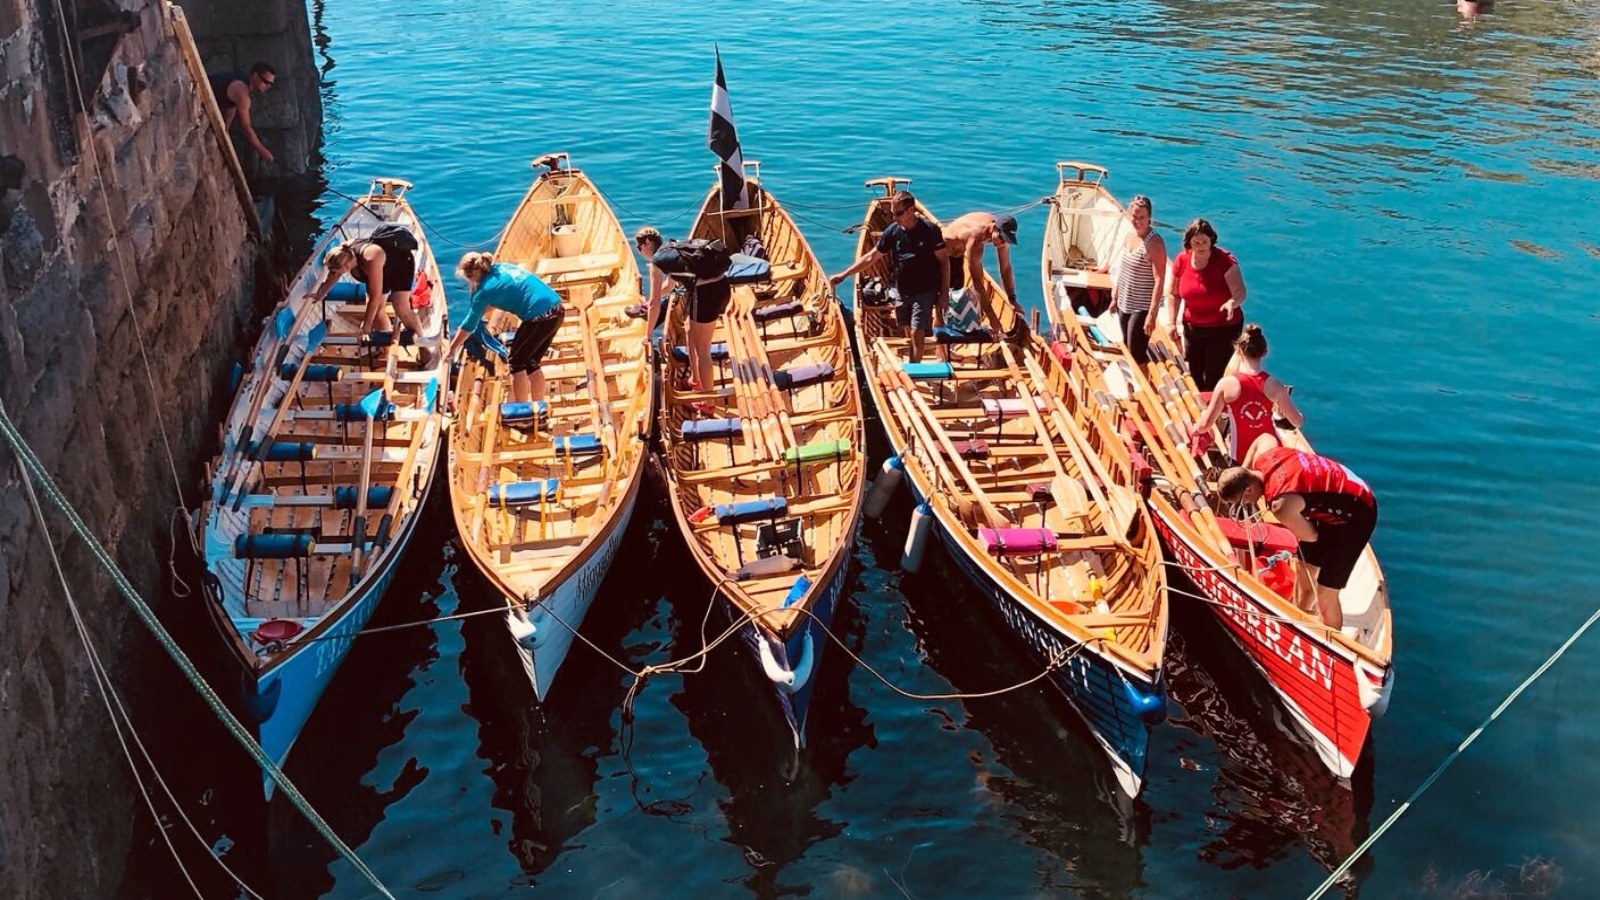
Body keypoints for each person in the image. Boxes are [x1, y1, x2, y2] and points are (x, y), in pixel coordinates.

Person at [1217, 446, 1377, 631]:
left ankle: (1333, 642)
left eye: (1240, 502)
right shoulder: (1265, 456)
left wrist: (1293, 521)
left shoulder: (1280, 505)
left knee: (1325, 592)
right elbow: (1262, 439)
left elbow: (1310, 536)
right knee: (1303, 568)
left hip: (1358, 515)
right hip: (1338, 493)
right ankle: (1299, 617)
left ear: (1248, 490)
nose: (1243, 506)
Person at [830, 190, 951, 363]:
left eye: (898, 213)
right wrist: (844, 275)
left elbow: (944, 262)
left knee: (917, 332)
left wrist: (944, 293)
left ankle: (914, 370)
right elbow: (872, 256)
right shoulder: (893, 231)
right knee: (907, 330)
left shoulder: (929, 230)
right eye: (892, 213)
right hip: (902, 289)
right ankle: (913, 360)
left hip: (925, 290)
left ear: (911, 210)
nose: (894, 217)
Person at [445, 252, 564, 406]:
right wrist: (478, 309)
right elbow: (501, 297)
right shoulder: (502, 267)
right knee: (531, 362)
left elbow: (468, 325)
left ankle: (524, 413)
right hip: (557, 308)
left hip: (539, 316)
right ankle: (538, 410)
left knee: (516, 363)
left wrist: (452, 349)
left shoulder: (484, 291)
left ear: (472, 274)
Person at [312, 225, 433, 368]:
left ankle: (423, 345)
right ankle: (386, 348)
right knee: (376, 313)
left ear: (348, 266)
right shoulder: (343, 252)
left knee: (400, 306)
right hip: (378, 271)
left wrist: (366, 327)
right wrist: (321, 293)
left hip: (399, 266)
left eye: (343, 271)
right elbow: (335, 274)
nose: (341, 274)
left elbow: (375, 297)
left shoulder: (370, 258)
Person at [1189, 323, 1304, 463]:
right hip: (1270, 454)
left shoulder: (1226, 384)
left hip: (1240, 455)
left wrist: (1194, 428)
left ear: (1239, 351)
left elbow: (1205, 425)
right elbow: (1297, 421)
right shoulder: (1275, 385)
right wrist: (1284, 416)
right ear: (1265, 353)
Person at [633, 227, 728, 394]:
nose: (640, 252)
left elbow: (656, 303)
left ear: (647, 243)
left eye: (639, 248)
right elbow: (669, 287)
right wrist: (649, 302)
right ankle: (695, 381)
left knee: (702, 350)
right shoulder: (670, 248)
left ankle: (708, 400)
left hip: (706, 293)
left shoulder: (656, 261)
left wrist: (648, 335)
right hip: (720, 285)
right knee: (689, 331)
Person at [1159, 218, 1246, 391]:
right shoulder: (1182, 260)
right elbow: (1173, 294)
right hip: (1193, 327)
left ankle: (1213, 407)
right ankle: (1200, 403)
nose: (1200, 246)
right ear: (1189, 242)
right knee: (1194, 371)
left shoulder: (1224, 261)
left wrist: (1231, 302)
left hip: (1223, 327)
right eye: (1196, 242)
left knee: (1214, 373)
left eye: (1204, 241)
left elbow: (1240, 292)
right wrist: (1171, 322)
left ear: (1211, 240)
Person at [1107, 195, 1166, 365]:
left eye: (1142, 217)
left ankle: (1143, 383)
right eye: (1134, 216)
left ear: (1149, 218)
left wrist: (1152, 313)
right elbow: (1123, 269)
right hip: (1125, 301)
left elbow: (1160, 279)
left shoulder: (1154, 243)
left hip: (1141, 306)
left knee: (1136, 351)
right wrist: (1115, 297)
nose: (1137, 221)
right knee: (1126, 345)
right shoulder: (1129, 235)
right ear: (1129, 215)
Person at [940, 211, 1020, 332]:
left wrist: (1012, 298)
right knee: (942, 298)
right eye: (1002, 238)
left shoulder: (1000, 233)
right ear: (994, 228)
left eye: (1006, 240)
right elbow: (977, 283)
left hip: (958, 254)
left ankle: (951, 328)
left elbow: (1005, 267)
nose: (1002, 243)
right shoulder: (975, 238)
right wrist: (992, 318)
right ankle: (940, 335)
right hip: (942, 253)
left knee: (956, 297)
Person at [207, 62, 277, 164]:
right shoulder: (243, 94)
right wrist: (262, 151)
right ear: (255, 75)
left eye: (271, 84)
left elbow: (231, 108)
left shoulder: (241, 81)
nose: (268, 86)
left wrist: (224, 132)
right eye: (265, 81)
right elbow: (246, 128)